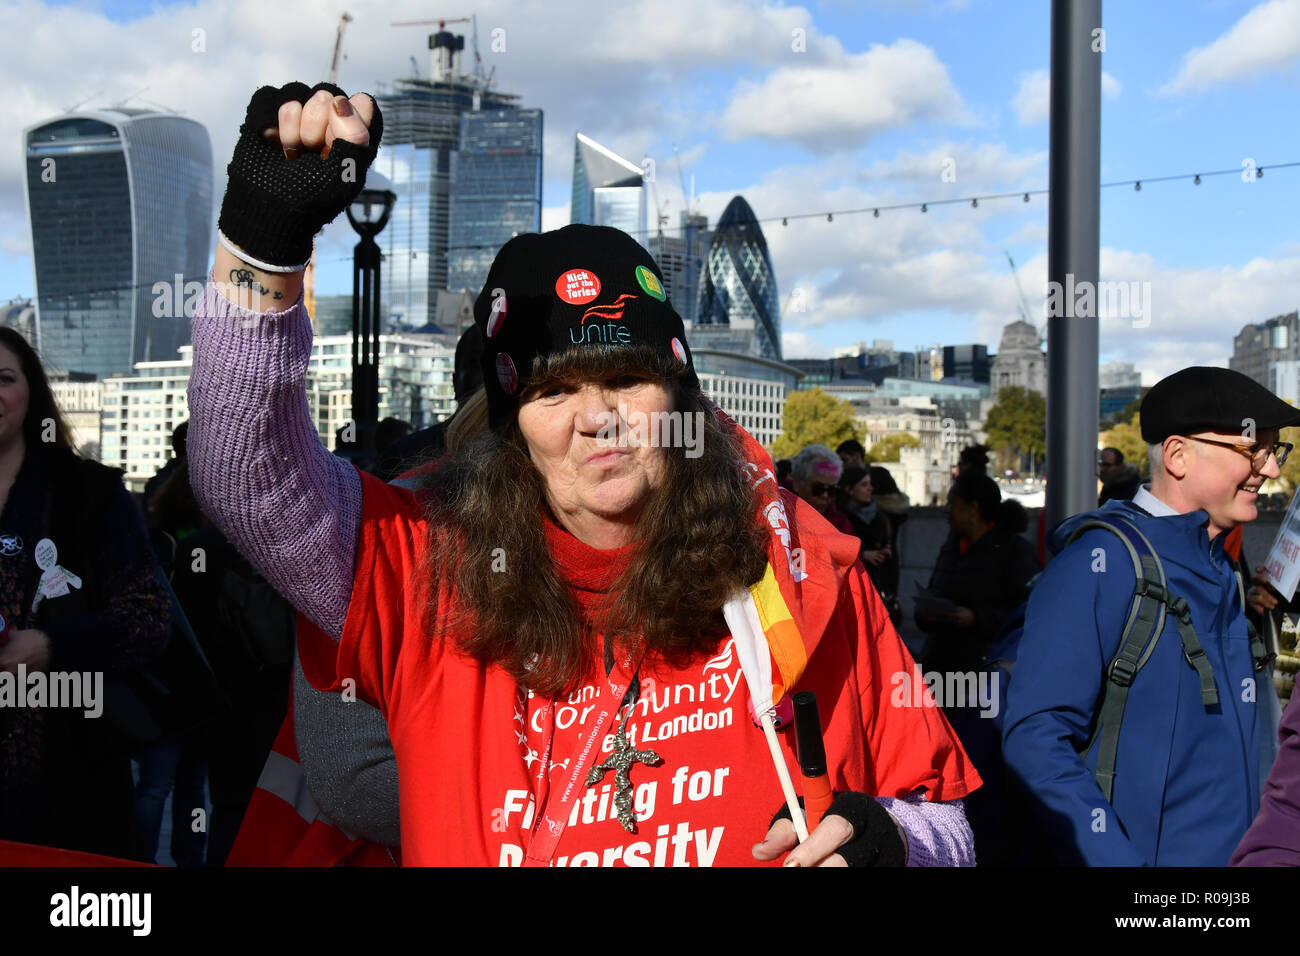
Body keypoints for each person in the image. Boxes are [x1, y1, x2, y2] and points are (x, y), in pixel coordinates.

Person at [187, 81, 980, 867]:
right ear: (507, 422)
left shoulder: (797, 567)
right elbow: (245, 476)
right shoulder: (426, 568)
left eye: (627, 381)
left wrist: (890, 842)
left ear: (679, 392)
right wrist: (261, 249)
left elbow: (942, 819)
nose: (596, 419)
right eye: (552, 390)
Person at [1003, 366, 1299, 865]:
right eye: (1255, 451)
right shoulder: (1099, 563)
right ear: (1178, 455)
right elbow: (1036, 740)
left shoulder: (1218, 565)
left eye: (1276, 450)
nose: (1270, 469)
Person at [0, 327, 171, 859]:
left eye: (3, 379)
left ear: (31, 393)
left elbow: (148, 617)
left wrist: (49, 645)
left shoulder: (87, 494)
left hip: (67, 772)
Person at [915, 472, 1039, 683]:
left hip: (985, 669)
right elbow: (937, 589)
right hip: (939, 666)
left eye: (952, 503)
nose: (947, 510)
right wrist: (928, 613)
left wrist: (977, 618)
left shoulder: (1015, 551)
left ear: (973, 508)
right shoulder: (952, 545)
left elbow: (1027, 612)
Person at [837, 466, 896, 606]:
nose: (870, 488)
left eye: (870, 484)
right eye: (864, 485)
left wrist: (886, 550)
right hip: (854, 585)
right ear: (849, 490)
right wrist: (864, 554)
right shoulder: (841, 518)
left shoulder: (879, 516)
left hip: (877, 583)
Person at [790, 444, 854, 536]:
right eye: (818, 488)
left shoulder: (841, 525)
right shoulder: (779, 521)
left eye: (831, 490)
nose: (825, 496)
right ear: (797, 483)